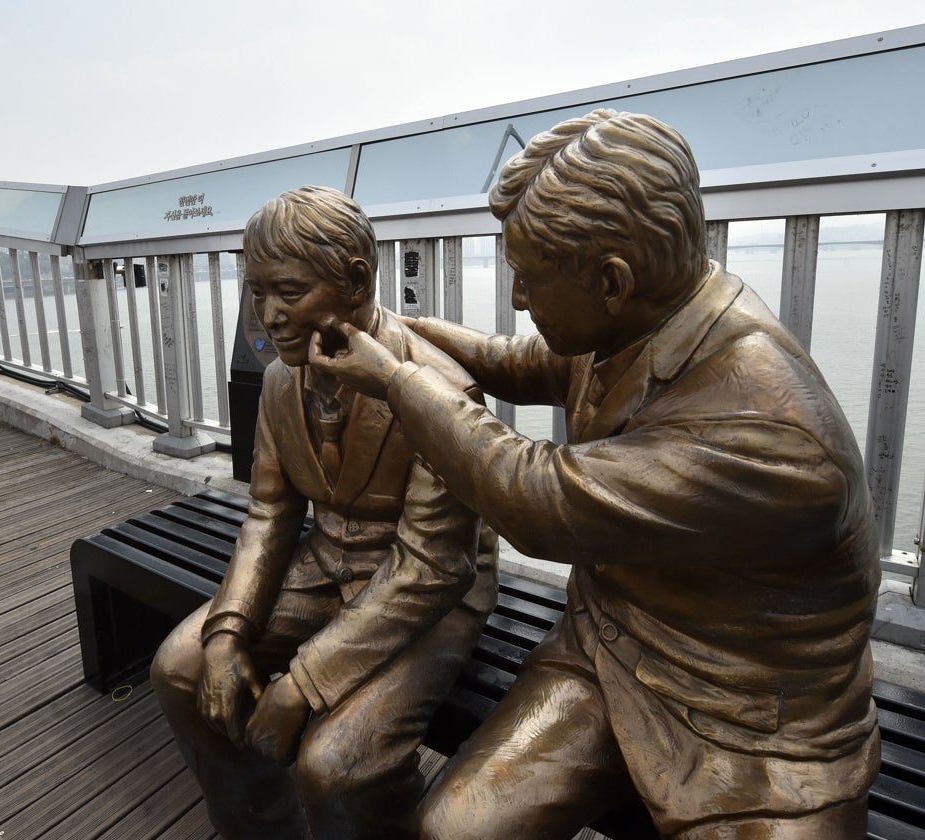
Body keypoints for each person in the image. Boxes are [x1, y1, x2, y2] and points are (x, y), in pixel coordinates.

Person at [309, 110, 880, 838]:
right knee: (453, 830)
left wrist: (393, 381)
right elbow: (515, 361)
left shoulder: (773, 436)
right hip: (609, 650)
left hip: (759, 726)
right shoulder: (646, 317)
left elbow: (538, 496)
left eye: (528, 280)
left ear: (610, 280)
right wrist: (390, 333)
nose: (518, 298)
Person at [149, 185, 497, 840]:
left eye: (289, 292)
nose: (270, 316)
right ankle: (261, 828)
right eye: (258, 294)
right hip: (321, 564)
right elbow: (270, 513)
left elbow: (434, 566)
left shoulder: (441, 390)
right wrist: (226, 635)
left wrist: (302, 684)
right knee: (181, 667)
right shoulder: (283, 379)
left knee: (336, 763)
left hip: (429, 593)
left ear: (357, 281)